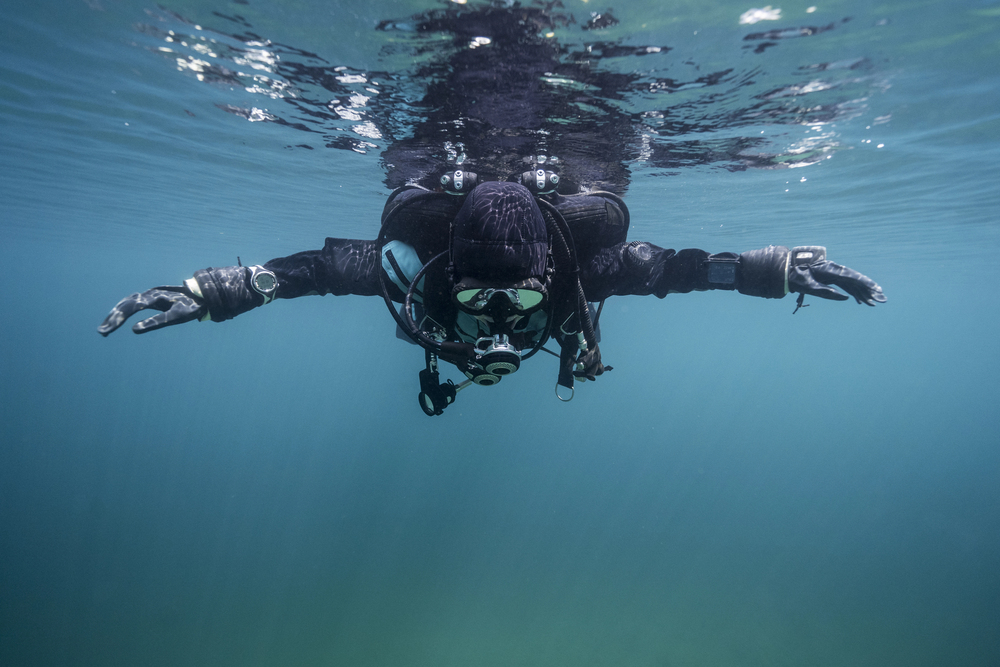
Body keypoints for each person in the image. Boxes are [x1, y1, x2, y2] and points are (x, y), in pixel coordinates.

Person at [98, 167, 886, 415]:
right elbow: (302, 273)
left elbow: (681, 268)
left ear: (549, 276)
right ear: (453, 279)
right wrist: (212, 290)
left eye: (517, 303)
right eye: (482, 303)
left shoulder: (583, 272)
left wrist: (773, 267)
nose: (501, 327)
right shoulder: (414, 270)